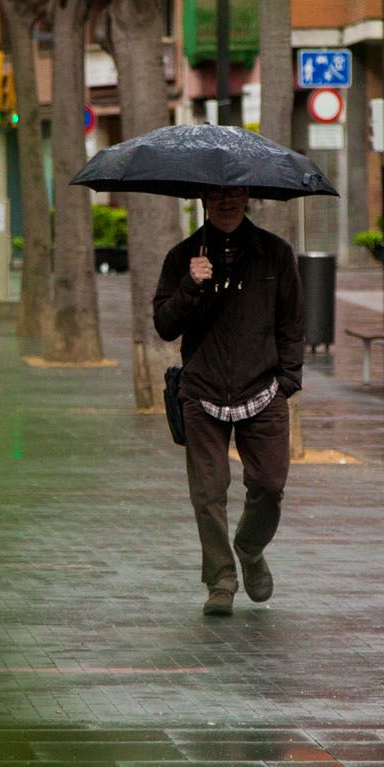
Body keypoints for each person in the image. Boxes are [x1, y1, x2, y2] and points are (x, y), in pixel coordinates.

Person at [152, 185, 305, 617]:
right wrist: (191, 284)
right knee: (208, 493)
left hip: (263, 389)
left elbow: (292, 321)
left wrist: (287, 381)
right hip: (202, 391)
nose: (226, 201)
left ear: (247, 195)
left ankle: (250, 548)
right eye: (217, 193)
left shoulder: (275, 254)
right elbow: (164, 325)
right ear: (203, 198)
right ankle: (220, 580)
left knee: (270, 485)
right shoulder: (183, 257)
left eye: (234, 192)